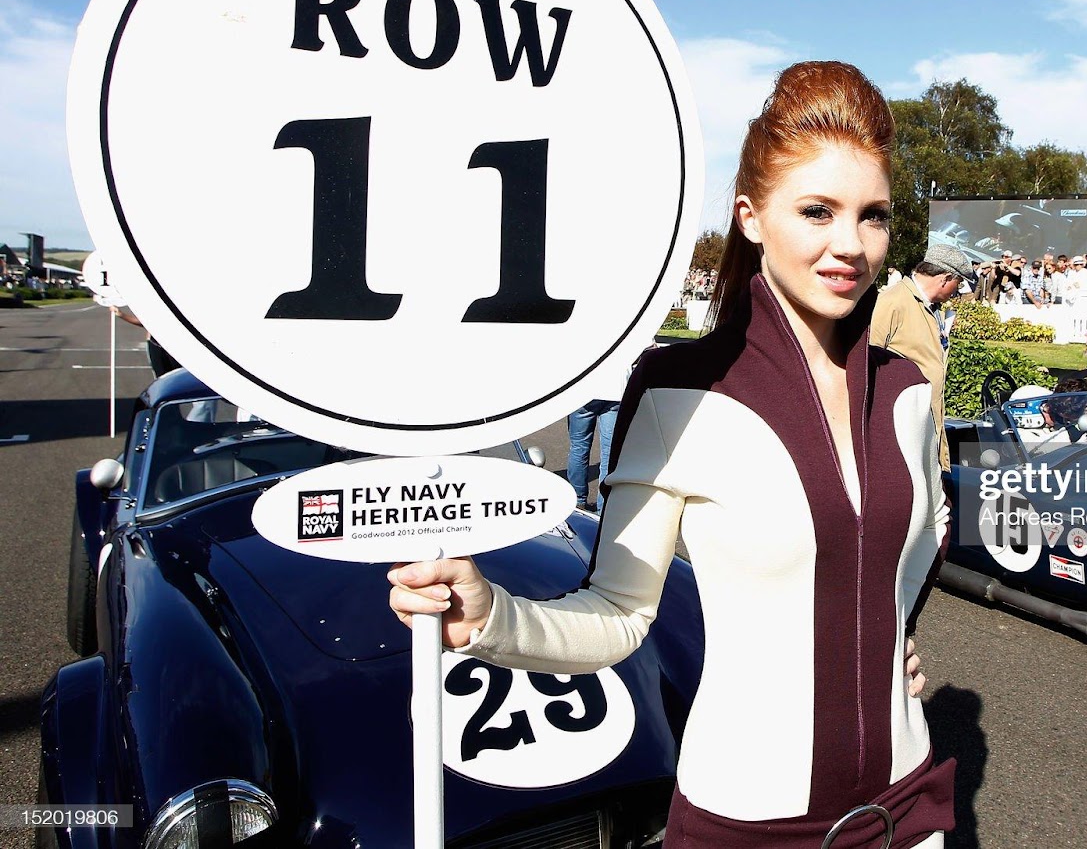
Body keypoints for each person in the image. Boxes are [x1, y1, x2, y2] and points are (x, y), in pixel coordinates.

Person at [389, 62, 955, 848]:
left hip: (909, 809)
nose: (848, 245)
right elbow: (620, 615)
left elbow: (921, 545)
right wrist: (493, 616)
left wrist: (889, 638)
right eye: (817, 211)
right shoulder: (677, 391)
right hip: (749, 825)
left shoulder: (908, 388)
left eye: (873, 216)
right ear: (752, 218)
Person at [872, 242, 975, 471]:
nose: (956, 292)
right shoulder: (894, 301)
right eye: (957, 284)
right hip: (904, 424)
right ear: (945, 278)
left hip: (928, 420)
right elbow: (869, 360)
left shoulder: (931, 307)